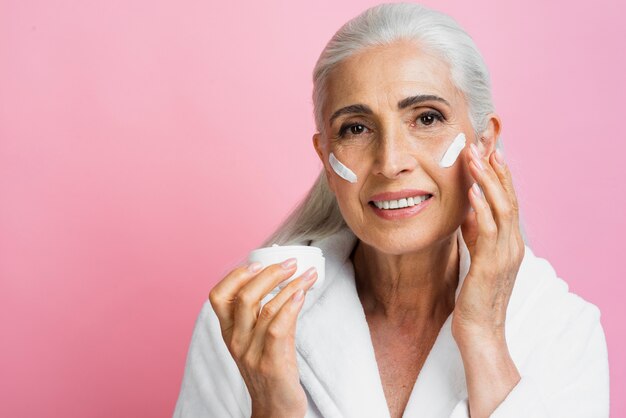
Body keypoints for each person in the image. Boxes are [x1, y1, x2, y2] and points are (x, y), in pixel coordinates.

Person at [173, 3, 609, 417]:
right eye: (357, 128)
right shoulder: (246, 320)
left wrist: (483, 335)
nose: (390, 161)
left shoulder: (560, 326)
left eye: (426, 118)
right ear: (326, 156)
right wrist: (273, 410)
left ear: (484, 142)